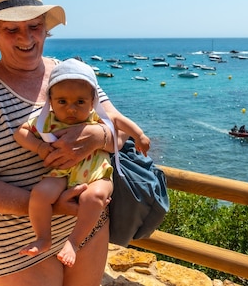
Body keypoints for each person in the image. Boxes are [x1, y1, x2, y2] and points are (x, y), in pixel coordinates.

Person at [0, 0, 135, 286]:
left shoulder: (69, 73)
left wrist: (97, 137)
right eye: (12, 29)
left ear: (46, 27)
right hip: (17, 248)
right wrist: (46, 205)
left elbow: (120, 131)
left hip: (85, 230)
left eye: (34, 26)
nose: (26, 38)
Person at [14, 58, 150, 267]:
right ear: (50, 100)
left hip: (96, 173)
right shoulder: (48, 120)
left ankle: (74, 242)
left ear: (92, 100)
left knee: (94, 197)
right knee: (40, 194)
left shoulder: (95, 116)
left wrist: (139, 135)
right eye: (62, 102)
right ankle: (43, 237)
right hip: (61, 173)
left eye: (80, 102)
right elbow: (21, 133)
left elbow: (118, 121)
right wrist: (39, 147)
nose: (71, 109)